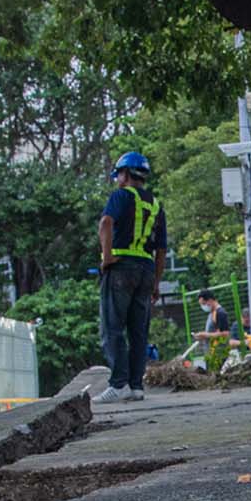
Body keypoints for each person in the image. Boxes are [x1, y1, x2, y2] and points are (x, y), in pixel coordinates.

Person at [96, 151, 166, 404]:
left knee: (112, 328)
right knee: (139, 331)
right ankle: (136, 386)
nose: (118, 180)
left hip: (121, 267)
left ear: (125, 174)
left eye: (119, 175)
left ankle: (118, 384)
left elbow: (106, 223)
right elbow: (161, 249)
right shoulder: (156, 205)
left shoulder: (121, 196)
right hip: (146, 271)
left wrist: (106, 257)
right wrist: (156, 283)